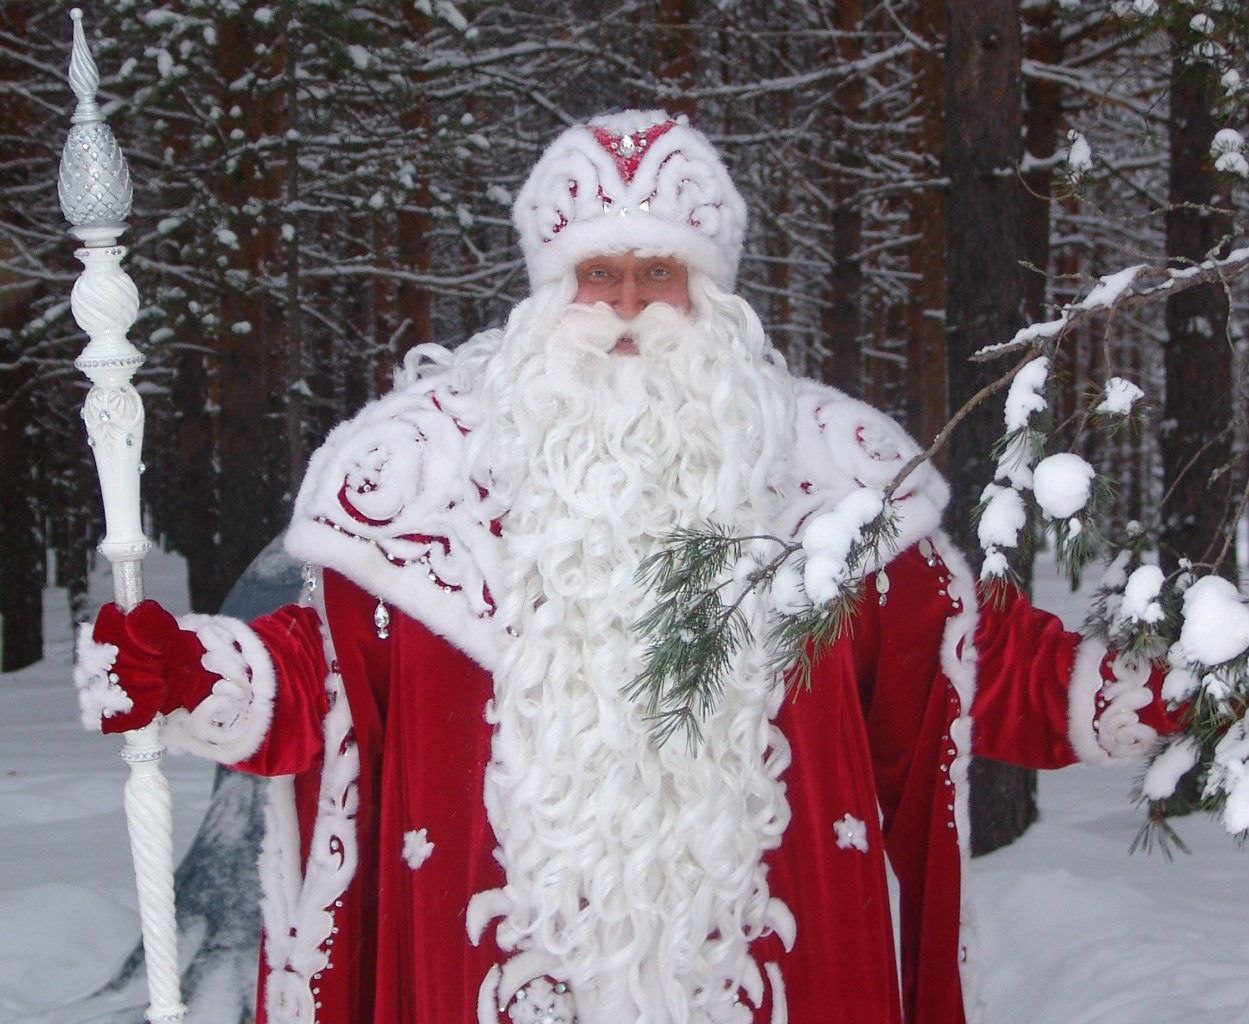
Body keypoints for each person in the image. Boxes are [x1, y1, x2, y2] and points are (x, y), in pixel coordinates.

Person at [74, 111, 1177, 1024]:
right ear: (549, 290)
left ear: (713, 292)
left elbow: (967, 652)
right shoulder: (420, 479)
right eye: (598, 272)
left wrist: (1147, 688)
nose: (629, 304)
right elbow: (321, 679)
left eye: (661, 270)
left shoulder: (830, 480)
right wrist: (192, 674)